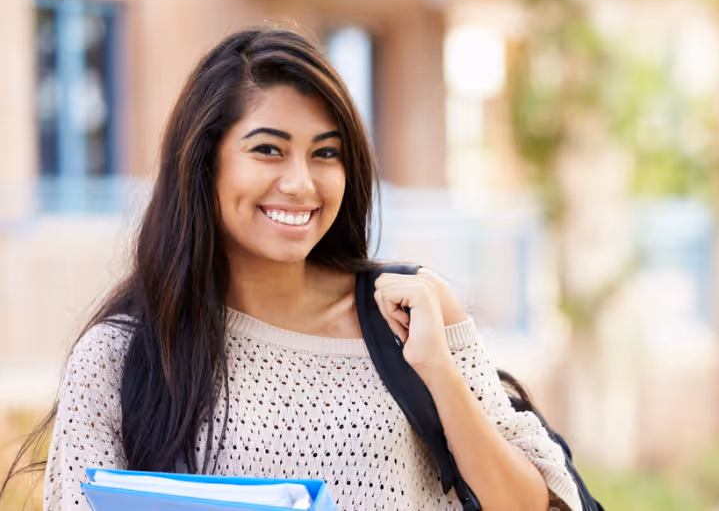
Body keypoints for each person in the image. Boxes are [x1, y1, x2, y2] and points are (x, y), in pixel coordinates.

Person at [0, 28, 582, 511]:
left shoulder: (410, 312)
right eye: (268, 150)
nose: (301, 184)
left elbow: (530, 505)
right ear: (206, 165)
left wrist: (438, 371)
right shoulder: (121, 356)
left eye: (325, 153)